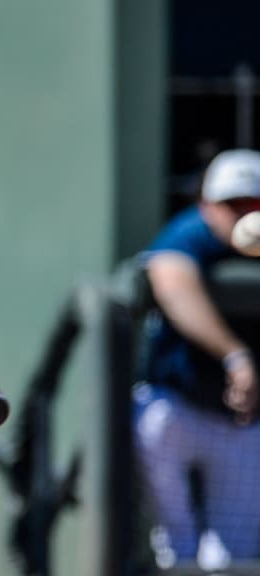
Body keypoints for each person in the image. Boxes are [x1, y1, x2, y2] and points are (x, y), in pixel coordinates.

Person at [133, 148, 260, 571]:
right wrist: (235, 355)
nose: (243, 214)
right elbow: (171, 281)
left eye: (252, 202)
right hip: (176, 406)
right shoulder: (190, 232)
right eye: (231, 204)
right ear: (206, 205)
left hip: (244, 421)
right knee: (178, 549)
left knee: (232, 558)